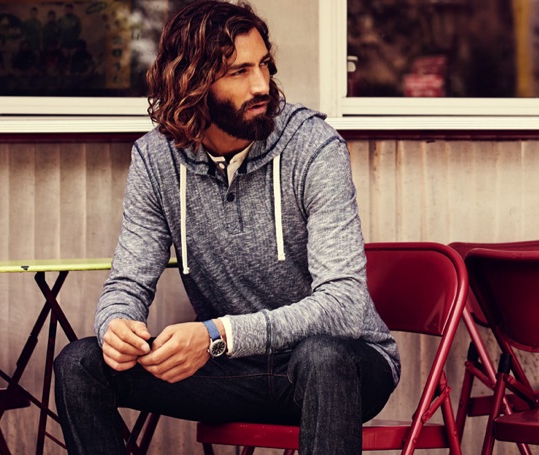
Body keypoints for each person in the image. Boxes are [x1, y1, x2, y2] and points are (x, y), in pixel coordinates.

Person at [53, 1, 400, 454]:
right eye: (239, 72)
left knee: (322, 355)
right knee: (80, 364)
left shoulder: (313, 147)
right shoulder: (156, 161)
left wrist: (218, 336)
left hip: (342, 366)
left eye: (264, 66)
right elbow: (128, 282)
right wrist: (116, 325)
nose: (262, 85)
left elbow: (344, 305)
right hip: (239, 370)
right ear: (192, 84)